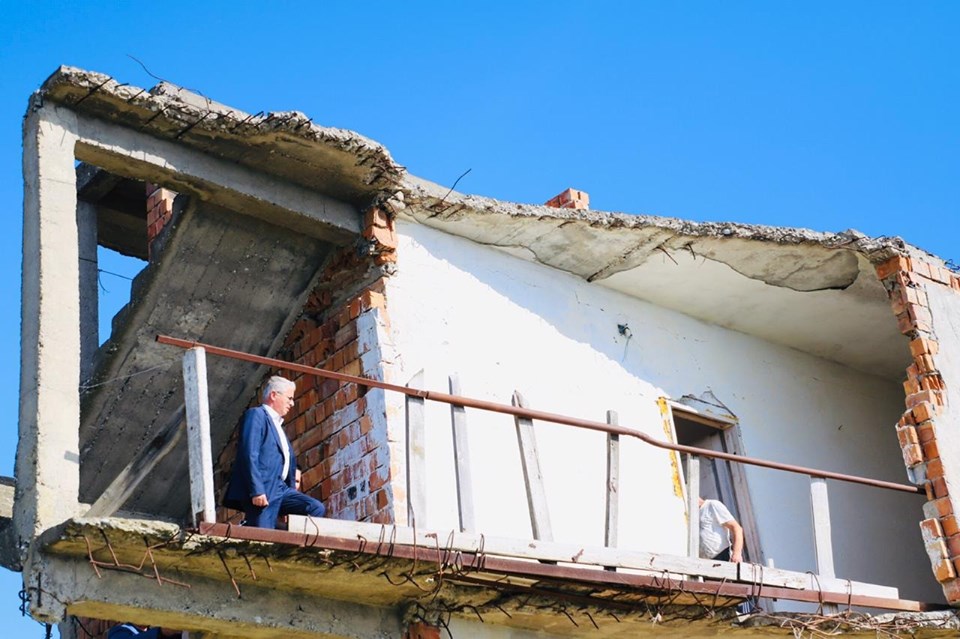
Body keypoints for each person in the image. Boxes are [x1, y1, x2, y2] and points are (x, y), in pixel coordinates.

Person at [224, 376, 326, 528]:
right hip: (264, 488)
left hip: (281, 489)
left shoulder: (278, 426)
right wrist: (256, 490)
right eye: (289, 398)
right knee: (263, 534)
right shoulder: (257, 415)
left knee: (315, 508)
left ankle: (299, 547)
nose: (292, 403)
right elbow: (249, 454)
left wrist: (291, 497)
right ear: (273, 395)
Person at [699, 497, 743, 563]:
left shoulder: (711, 505)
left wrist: (737, 554)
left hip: (722, 556)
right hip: (703, 562)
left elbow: (736, 528)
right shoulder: (689, 514)